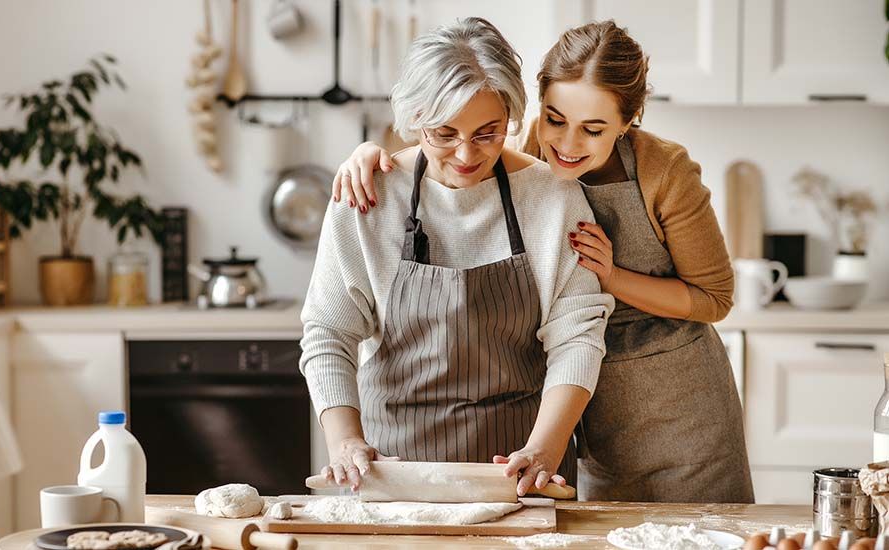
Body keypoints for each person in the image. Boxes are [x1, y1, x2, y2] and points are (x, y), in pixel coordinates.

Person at [332, 20, 754, 503]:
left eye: (593, 129)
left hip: (678, 405)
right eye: (555, 119)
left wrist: (611, 277)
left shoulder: (665, 172)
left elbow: (714, 299)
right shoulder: (530, 156)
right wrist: (373, 157)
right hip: (586, 407)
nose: (568, 145)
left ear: (629, 119)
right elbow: (459, 145)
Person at [300, 17, 613, 497]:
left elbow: (577, 336)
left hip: (520, 472)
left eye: (489, 133)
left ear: (511, 116)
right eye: (444, 134)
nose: (467, 154)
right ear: (415, 119)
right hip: (392, 472)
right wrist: (344, 442)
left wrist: (545, 449)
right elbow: (329, 332)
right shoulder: (368, 197)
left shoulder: (552, 198)